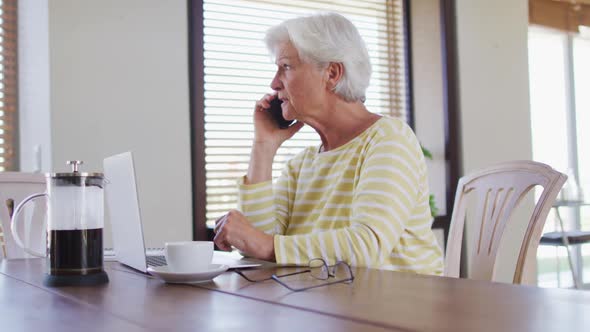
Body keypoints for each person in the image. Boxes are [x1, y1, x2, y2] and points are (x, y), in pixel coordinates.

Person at [214, 12, 443, 275]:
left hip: (402, 308)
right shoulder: (301, 165)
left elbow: (366, 246)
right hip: (331, 306)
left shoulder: (389, 139)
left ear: (332, 73)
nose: (274, 83)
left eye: (286, 67)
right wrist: (263, 146)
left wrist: (264, 244)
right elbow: (258, 247)